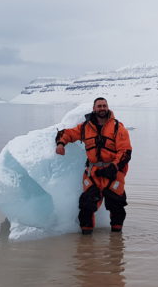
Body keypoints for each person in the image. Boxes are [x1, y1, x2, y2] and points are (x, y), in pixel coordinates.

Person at [55, 98, 132, 234]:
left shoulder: (118, 128)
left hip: (113, 173)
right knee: (86, 206)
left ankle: (116, 243)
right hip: (93, 173)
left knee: (117, 206)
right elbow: (68, 133)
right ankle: (86, 246)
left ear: (107, 107)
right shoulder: (85, 127)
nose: (102, 108)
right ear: (94, 108)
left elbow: (125, 151)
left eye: (104, 106)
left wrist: (113, 167)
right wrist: (61, 143)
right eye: (99, 106)